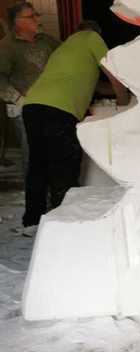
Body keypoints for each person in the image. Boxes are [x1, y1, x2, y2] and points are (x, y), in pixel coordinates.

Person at [20, 21, 129, 235]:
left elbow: (96, 86)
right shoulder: (91, 37)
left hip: (33, 105)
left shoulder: (64, 48)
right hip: (58, 109)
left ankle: (32, 221)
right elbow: (113, 71)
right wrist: (123, 99)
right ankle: (64, 222)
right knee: (64, 165)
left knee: (38, 165)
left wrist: (116, 91)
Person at [0, 2, 59, 175]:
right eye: (31, 16)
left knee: (52, 151)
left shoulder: (45, 40)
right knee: (33, 155)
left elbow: (67, 53)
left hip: (49, 103)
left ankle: (51, 188)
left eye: (36, 14)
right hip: (23, 108)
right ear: (17, 21)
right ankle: (34, 192)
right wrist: (19, 99)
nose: (37, 19)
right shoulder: (6, 47)